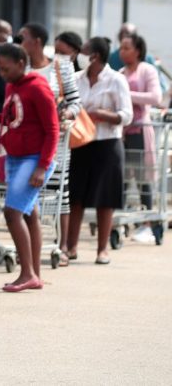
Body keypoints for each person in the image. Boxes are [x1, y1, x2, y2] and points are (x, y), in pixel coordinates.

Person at [0, 43, 59, 291]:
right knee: (28, 214)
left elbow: (52, 129)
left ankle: (27, 274)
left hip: (32, 159)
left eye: (5, 69)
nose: (2, 74)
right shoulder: (13, 85)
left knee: (12, 212)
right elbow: (19, 117)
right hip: (16, 157)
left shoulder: (38, 87)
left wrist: (42, 166)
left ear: (21, 64)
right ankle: (33, 272)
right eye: (0, 70)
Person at [18, 22, 81, 264]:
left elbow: (76, 102)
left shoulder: (60, 67)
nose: (19, 42)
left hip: (56, 138)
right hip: (26, 140)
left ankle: (62, 246)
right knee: (28, 192)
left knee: (59, 191)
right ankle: (29, 247)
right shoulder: (20, 66)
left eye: (22, 38)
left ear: (36, 41)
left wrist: (64, 114)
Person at [66, 37, 132, 265]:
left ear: (95, 56)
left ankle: (102, 249)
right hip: (81, 142)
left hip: (107, 142)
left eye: (84, 51)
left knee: (106, 198)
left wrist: (102, 114)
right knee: (75, 196)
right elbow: (69, 105)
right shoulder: (75, 79)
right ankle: (70, 247)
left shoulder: (116, 80)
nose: (80, 56)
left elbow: (126, 115)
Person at [119, 33, 162, 243]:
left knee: (145, 178)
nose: (122, 51)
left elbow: (156, 97)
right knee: (123, 180)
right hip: (123, 132)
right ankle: (119, 222)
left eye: (127, 47)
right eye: (121, 48)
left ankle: (147, 224)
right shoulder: (120, 72)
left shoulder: (147, 70)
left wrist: (127, 95)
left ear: (137, 50)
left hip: (141, 131)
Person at [108, 23, 168, 94]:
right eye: (122, 34)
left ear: (137, 51)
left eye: (127, 34)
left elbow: (160, 89)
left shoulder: (148, 62)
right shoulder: (112, 58)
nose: (124, 36)